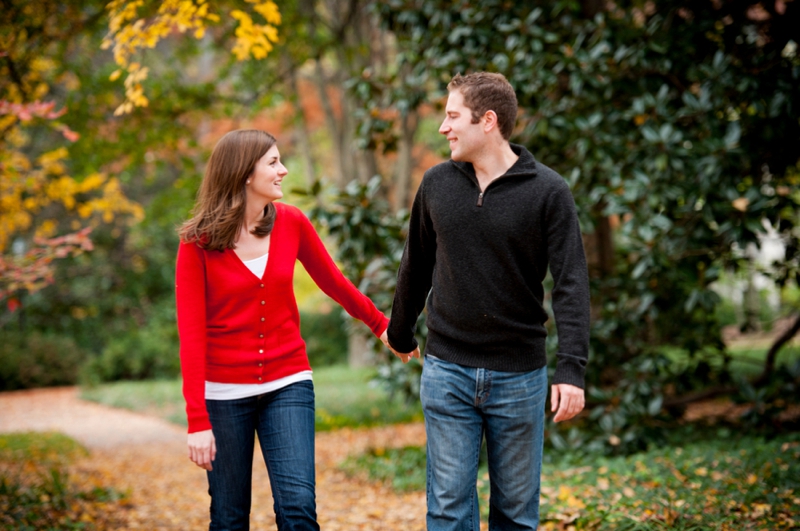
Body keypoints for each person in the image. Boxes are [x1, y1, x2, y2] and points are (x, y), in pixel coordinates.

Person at [383, 72, 590, 531]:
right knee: (447, 510)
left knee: (516, 515)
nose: (443, 127)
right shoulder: (437, 183)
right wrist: (399, 331)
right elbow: (414, 264)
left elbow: (571, 282)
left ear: (488, 120)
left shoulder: (548, 190)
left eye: (453, 115)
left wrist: (571, 368)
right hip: (447, 370)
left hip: (519, 375)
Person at [175, 129, 390, 531]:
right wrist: (197, 421)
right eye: (273, 163)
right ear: (244, 174)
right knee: (228, 518)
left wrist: (381, 325)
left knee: (297, 510)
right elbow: (191, 335)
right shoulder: (197, 243)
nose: (284, 170)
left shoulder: (291, 222)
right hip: (223, 396)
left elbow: (334, 283)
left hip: (287, 383)